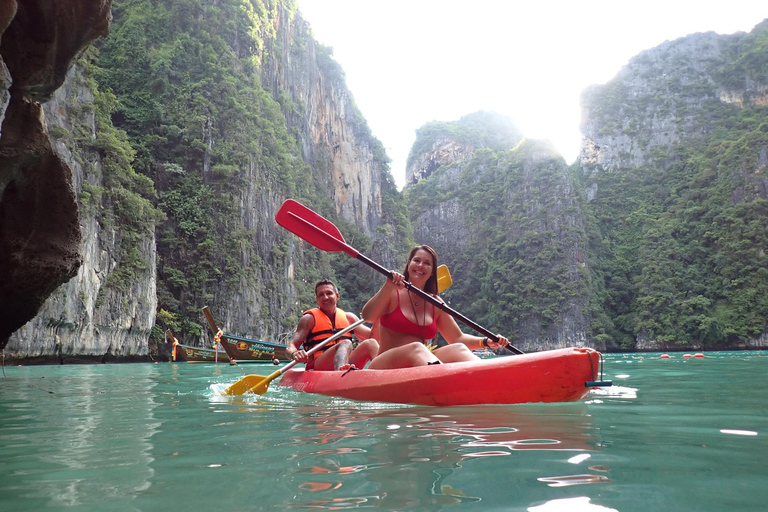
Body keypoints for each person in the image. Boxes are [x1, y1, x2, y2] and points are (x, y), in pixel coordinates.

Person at [361, 245, 509, 369]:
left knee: (458, 349)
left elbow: (457, 338)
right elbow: (368, 317)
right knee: (417, 348)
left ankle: (486, 376)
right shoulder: (392, 292)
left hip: (420, 364)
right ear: (409, 264)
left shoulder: (435, 303)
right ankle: (443, 381)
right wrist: (387, 287)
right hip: (384, 366)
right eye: (416, 260)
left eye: (427, 263)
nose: (420, 265)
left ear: (432, 272)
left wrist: (486, 342)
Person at [286, 279, 378, 371]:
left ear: (337, 296)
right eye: (321, 295)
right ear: (317, 299)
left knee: (371, 343)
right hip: (319, 364)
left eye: (329, 293)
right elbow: (291, 345)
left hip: (347, 361)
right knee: (345, 343)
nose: (325, 297)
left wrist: (381, 313)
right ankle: (340, 374)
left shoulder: (349, 318)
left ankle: (384, 373)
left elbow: (373, 337)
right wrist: (295, 354)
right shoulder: (309, 319)